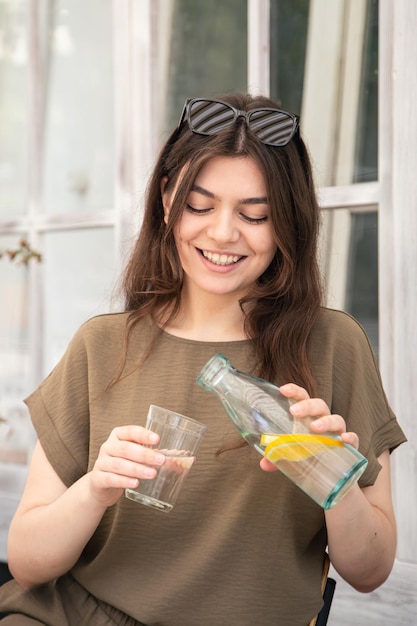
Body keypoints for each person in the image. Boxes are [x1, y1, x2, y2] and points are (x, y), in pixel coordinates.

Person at [0, 93, 406, 626]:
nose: (221, 233)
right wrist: (94, 489)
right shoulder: (102, 346)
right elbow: (28, 564)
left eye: (255, 214)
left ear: (288, 222)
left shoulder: (333, 345)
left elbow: (370, 571)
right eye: (200, 205)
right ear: (168, 201)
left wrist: (337, 484)